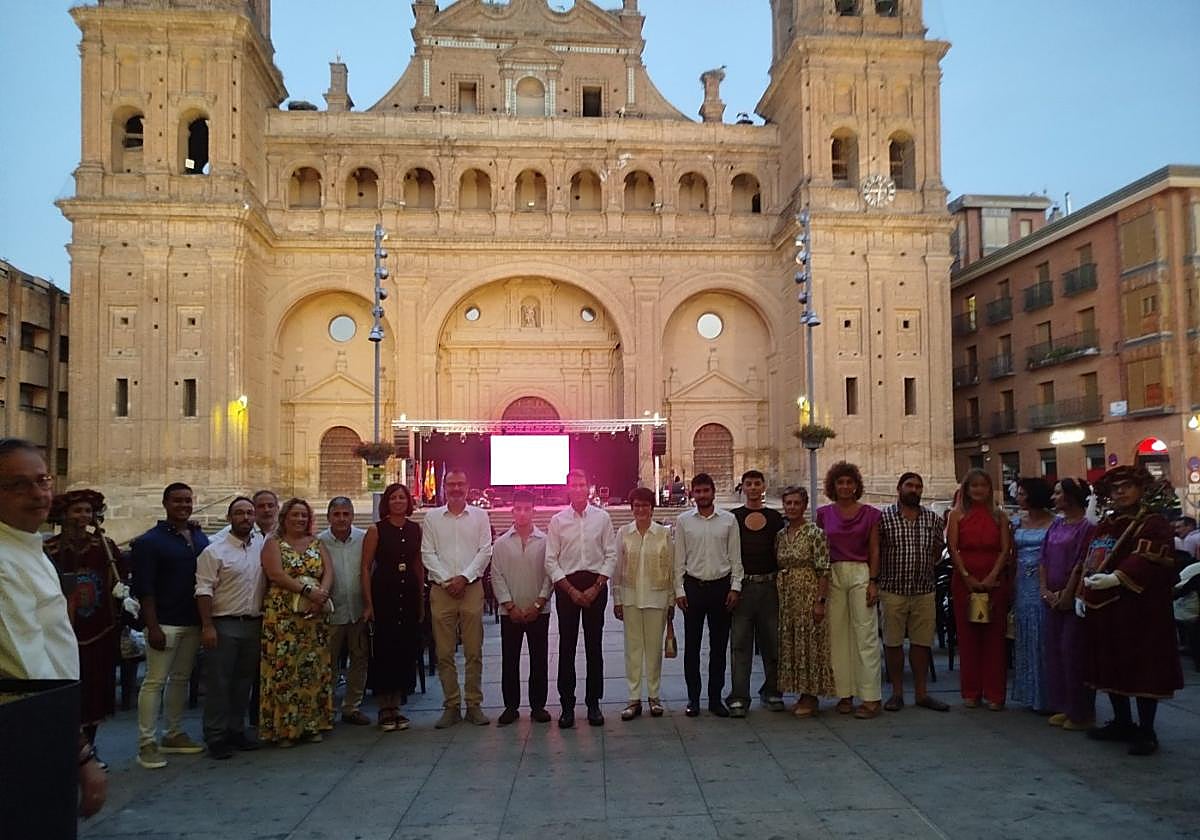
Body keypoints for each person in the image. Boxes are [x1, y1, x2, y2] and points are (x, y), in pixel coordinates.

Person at [0, 438, 106, 817]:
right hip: (27, 737)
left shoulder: (27, 548)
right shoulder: (3, 563)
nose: (36, 493)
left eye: (42, 480)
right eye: (17, 485)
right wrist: (80, 755)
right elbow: (29, 675)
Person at [1080, 466, 1183, 756]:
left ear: (1141, 489)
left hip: (1141, 610)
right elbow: (1091, 557)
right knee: (1112, 663)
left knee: (1143, 668)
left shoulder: (1153, 523)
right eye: (1115, 489)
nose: (1121, 492)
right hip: (1106, 608)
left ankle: (1147, 730)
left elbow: (1151, 558)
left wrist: (1117, 577)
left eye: (1127, 486)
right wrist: (1082, 591)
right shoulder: (1107, 524)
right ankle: (1122, 722)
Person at [131, 482, 209, 769]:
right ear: (165, 504)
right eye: (177, 501)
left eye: (188, 501)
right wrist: (152, 626)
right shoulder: (149, 542)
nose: (184, 506)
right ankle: (146, 742)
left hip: (191, 620)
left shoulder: (198, 537)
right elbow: (145, 587)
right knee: (154, 682)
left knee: (180, 679)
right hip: (163, 621)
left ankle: (173, 733)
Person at [44, 489, 125, 759]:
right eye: (77, 511)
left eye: (87, 511)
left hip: (98, 631)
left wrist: (122, 595)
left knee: (94, 690)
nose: (83, 516)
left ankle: (89, 748)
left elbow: (119, 577)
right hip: (61, 632)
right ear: (65, 514)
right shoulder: (50, 549)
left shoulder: (103, 546)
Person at [420, 468, 493, 728]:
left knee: (474, 650)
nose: (456, 489)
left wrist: (464, 577)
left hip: (471, 588)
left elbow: (485, 550)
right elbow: (427, 553)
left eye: (460, 484)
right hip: (442, 591)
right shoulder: (432, 518)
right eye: (451, 484)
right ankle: (451, 704)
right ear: (444, 486)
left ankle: (474, 704)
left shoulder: (480, 516)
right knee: (443, 652)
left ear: (467, 486)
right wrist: (446, 580)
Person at [259, 497, 335, 747]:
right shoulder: (274, 544)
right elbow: (275, 574)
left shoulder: (317, 543)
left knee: (312, 670)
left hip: (313, 616)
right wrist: (306, 591)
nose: (300, 519)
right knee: (285, 671)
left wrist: (320, 595)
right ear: (284, 518)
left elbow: (328, 572)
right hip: (284, 616)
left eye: (304, 515)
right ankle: (284, 730)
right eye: (295, 515)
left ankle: (312, 724)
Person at [194, 496, 266, 759]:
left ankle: (236, 729)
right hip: (224, 623)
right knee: (219, 682)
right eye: (239, 513)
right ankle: (215, 734)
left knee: (243, 682)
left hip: (253, 623)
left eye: (249, 513)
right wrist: (207, 626)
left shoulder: (262, 546)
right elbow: (203, 589)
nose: (245, 517)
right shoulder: (214, 551)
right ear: (229, 518)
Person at [546, 468, 617, 728]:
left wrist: (596, 587)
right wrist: (572, 590)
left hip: (595, 586)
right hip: (568, 589)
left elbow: (611, 555)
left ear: (589, 487)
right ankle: (567, 705)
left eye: (582, 484)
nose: (578, 489)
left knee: (594, 647)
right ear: (567, 488)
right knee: (566, 648)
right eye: (573, 485)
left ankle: (594, 703)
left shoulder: (602, 518)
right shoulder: (557, 521)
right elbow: (551, 560)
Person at [815, 462, 883, 719]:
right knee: (837, 636)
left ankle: (870, 697)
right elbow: (821, 550)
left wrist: (873, 581)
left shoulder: (871, 514)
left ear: (856, 485)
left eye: (849, 482)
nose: (844, 487)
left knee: (865, 634)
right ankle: (844, 694)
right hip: (833, 573)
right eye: (840, 483)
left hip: (860, 573)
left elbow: (875, 549)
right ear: (833, 486)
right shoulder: (823, 514)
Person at [877, 473, 950, 713]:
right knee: (892, 643)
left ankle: (921, 693)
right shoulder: (883, 518)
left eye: (918, 486)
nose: (914, 490)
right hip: (892, 590)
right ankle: (897, 693)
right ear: (899, 488)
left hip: (923, 590)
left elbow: (938, 549)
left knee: (922, 643)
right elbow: (875, 552)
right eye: (909, 485)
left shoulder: (932, 519)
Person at [674, 472, 742, 718]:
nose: (702, 495)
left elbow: (735, 556)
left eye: (706, 491)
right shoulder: (683, 521)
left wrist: (736, 587)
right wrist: (679, 589)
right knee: (691, 647)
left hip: (720, 589)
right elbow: (678, 559)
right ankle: (694, 698)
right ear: (692, 493)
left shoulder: (728, 520)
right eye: (698, 491)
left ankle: (715, 698)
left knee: (718, 646)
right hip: (693, 588)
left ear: (713, 492)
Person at [946, 469, 1011, 710]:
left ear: (989, 488)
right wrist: (966, 576)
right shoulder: (956, 515)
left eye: (983, 485)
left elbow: (1005, 549)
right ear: (966, 489)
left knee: (995, 638)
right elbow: (953, 548)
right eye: (974, 486)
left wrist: (993, 575)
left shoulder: (1000, 516)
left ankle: (995, 694)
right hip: (965, 581)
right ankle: (971, 692)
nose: (978, 490)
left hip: (994, 579)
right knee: (968, 637)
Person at [361, 484, 423, 732]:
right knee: (384, 649)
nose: (398, 502)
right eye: (393, 498)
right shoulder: (376, 530)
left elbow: (418, 565)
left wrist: (420, 600)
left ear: (408, 502)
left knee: (404, 649)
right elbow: (365, 567)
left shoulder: (415, 529)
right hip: (383, 593)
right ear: (387, 502)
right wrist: (368, 603)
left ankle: (397, 705)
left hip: (407, 593)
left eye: (402, 497)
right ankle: (384, 706)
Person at [727, 470, 786, 716]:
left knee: (772, 641)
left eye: (757, 483)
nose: (753, 488)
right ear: (743, 487)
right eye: (748, 484)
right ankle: (740, 695)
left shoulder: (774, 518)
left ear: (763, 487)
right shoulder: (733, 518)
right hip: (744, 587)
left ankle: (772, 690)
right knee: (740, 643)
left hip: (769, 587)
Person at [490, 490, 552, 725]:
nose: (523, 513)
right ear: (512, 511)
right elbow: (496, 576)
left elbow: (550, 574)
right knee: (510, 660)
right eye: (518, 509)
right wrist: (509, 605)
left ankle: (538, 705)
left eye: (527, 509)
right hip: (511, 612)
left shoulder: (545, 541)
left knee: (539, 659)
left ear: (533, 511)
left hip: (538, 610)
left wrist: (539, 602)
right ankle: (510, 706)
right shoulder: (501, 543)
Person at [1039, 478, 1096, 731]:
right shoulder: (1056, 525)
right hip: (1051, 597)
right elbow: (1043, 558)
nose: (1053, 497)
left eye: (1058, 493)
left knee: (1073, 653)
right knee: (1056, 652)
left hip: (1072, 600)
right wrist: (1044, 590)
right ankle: (1064, 706)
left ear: (1071, 496)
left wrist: (1067, 594)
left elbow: (1082, 562)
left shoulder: (1087, 527)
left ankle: (1081, 712)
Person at [612, 487, 673, 720]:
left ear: (652, 507)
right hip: (630, 598)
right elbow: (617, 570)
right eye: (636, 505)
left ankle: (654, 696)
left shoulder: (663, 533)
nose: (641, 509)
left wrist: (671, 600)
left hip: (656, 598)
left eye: (645, 505)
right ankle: (634, 697)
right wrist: (616, 599)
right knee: (633, 650)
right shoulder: (623, 533)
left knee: (654, 650)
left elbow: (671, 567)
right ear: (631, 508)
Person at [775, 486, 834, 717]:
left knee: (809, 642)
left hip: (808, 593)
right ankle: (801, 692)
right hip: (787, 596)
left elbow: (824, 568)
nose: (791, 507)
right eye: (788, 503)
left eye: (796, 503)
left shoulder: (815, 533)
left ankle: (811, 696)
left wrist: (820, 600)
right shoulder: (781, 535)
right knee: (793, 641)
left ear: (805, 505)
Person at [318, 497, 371, 727]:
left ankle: (352, 706)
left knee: (359, 659)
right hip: (332, 611)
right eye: (337, 514)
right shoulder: (318, 541)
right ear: (329, 516)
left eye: (346, 514)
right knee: (327, 661)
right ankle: (325, 709)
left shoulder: (363, 539)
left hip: (358, 609)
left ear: (352, 516)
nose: (341, 519)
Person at [1010, 477, 1055, 712]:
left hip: (1043, 581)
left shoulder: (1055, 523)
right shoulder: (1016, 522)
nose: (1017, 496)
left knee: (1045, 636)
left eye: (1021, 493)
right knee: (1026, 633)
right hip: (1021, 584)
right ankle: (1031, 693)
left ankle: (1049, 695)